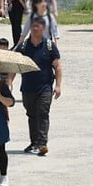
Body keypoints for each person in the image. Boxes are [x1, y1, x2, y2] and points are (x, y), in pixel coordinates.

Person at [12, 16, 62, 156]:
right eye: (32, 26)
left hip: (45, 87)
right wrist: (9, 81)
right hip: (27, 88)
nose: (34, 29)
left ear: (43, 29)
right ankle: (34, 142)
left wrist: (58, 85)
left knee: (43, 114)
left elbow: (57, 66)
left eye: (37, 26)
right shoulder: (23, 47)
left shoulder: (50, 46)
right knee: (32, 115)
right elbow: (15, 66)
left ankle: (42, 144)